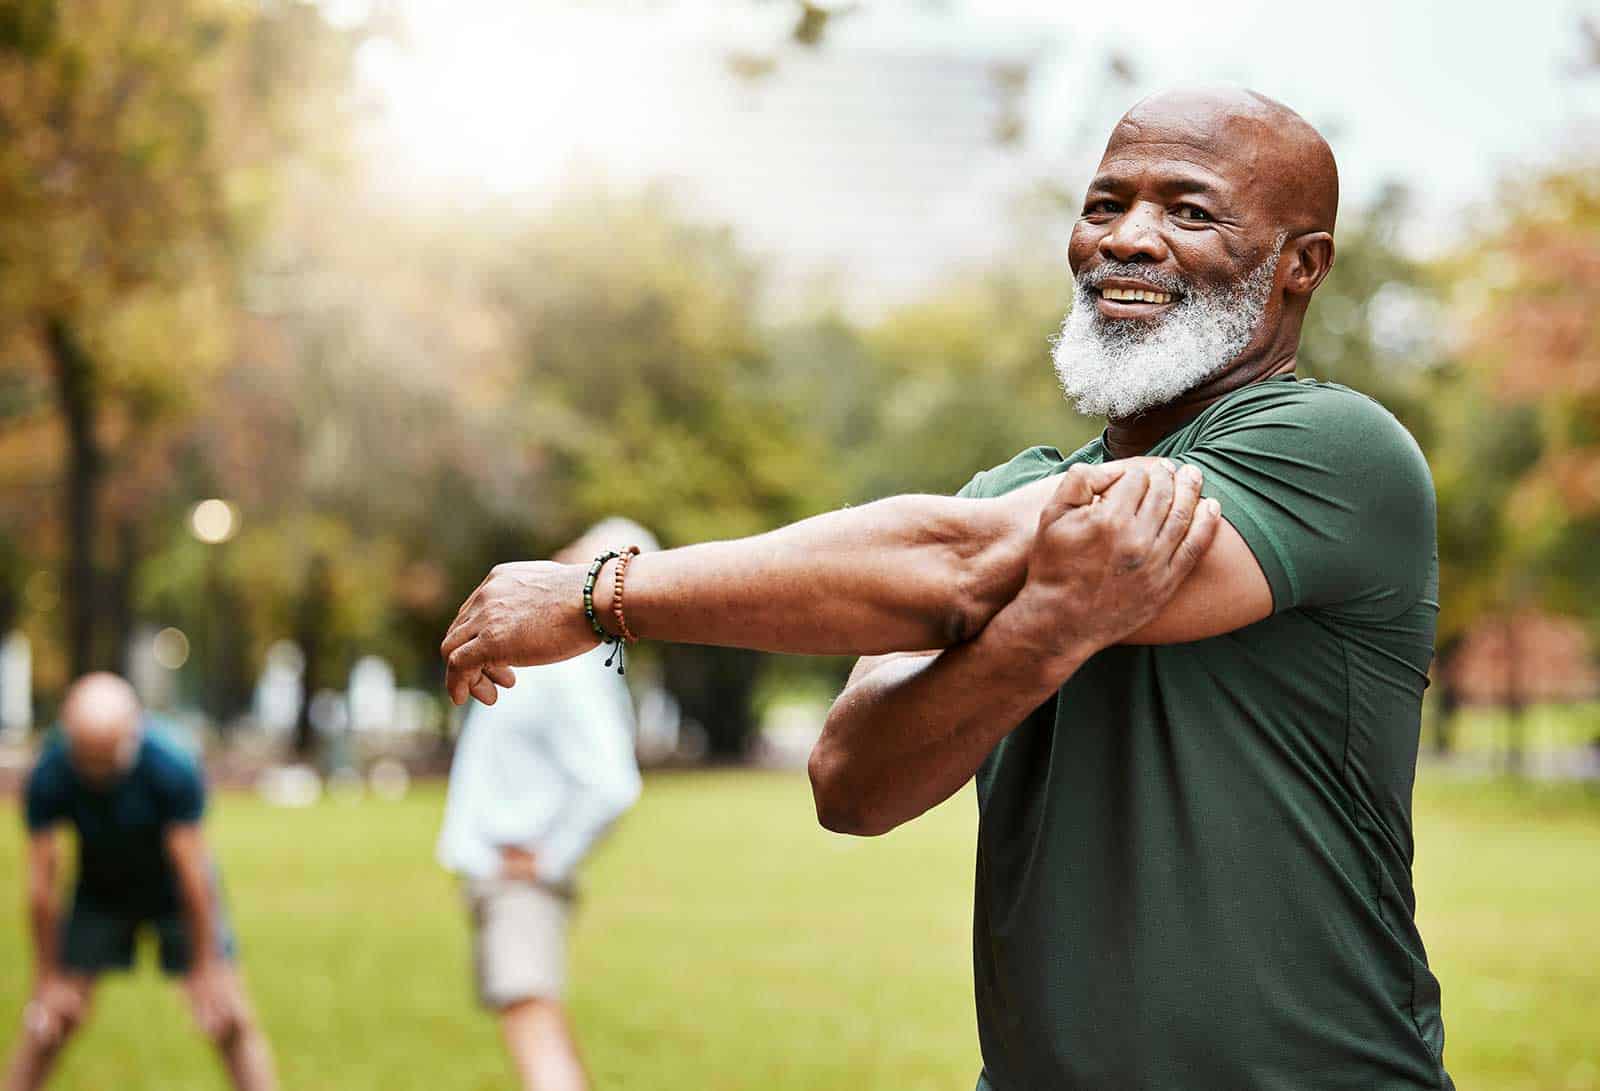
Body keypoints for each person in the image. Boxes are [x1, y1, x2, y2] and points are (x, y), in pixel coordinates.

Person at [441, 85, 1451, 1090]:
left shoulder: (1334, 450)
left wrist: (601, 594)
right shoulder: (1007, 492)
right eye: (1105, 204)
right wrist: (1042, 635)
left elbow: (957, 563)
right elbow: (852, 781)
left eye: (1189, 211)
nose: (1129, 238)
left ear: (1299, 266)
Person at [437, 519, 656, 1091]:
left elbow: (612, 783)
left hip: (518, 877)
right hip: (504, 873)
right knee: (536, 1022)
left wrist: (549, 857)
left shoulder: (571, 670)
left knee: (532, 1028)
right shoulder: (558, 659)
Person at [5, 673, 276, 1091]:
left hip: (175, 896)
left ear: (131, 734)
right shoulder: (50, 772)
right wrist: (48, 977)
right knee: (50, 1021)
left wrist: (206, 965)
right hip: (101, 892)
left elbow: (193, 873)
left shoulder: (171, 764)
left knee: (228, 1017)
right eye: (86, 760)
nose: (96, 773)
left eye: (106, 760)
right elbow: (42, 887)